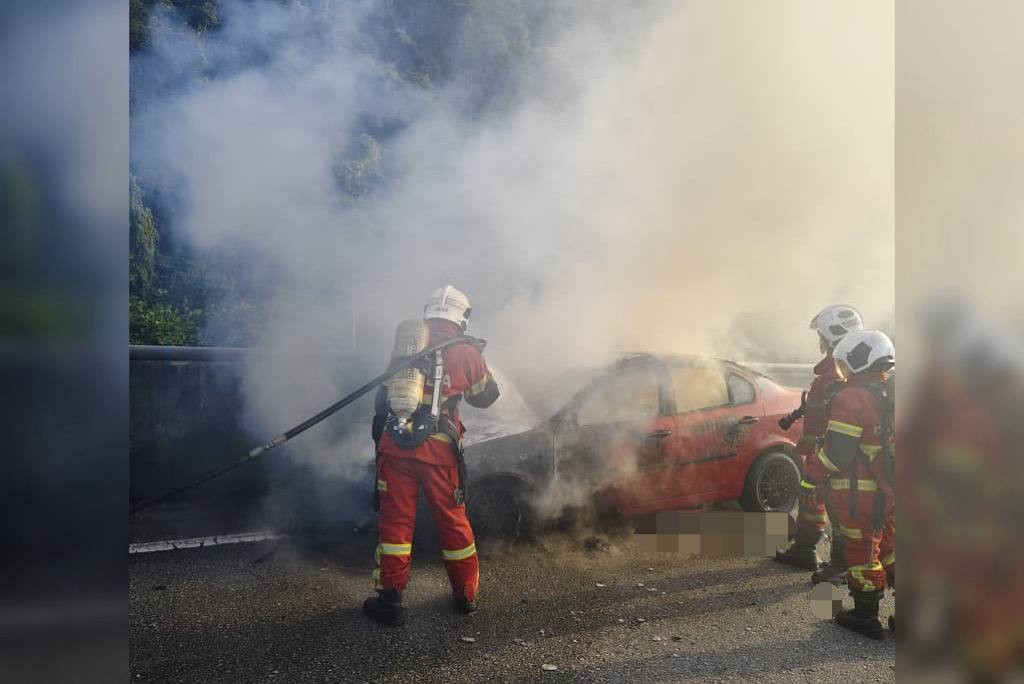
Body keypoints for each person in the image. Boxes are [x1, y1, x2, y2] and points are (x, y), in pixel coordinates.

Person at [363, 286, 500, 627]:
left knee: (396, 522)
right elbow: (486, 398)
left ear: (428, 312)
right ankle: (465, 597)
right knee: (453, 522)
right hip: (440, 453)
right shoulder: (467, 351)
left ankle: (390, 600)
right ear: (462, 317)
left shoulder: (406, 345)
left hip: (395, 448)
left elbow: (383, 400)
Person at [805, 329, 895, 639]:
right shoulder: (890, 391)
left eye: (845, 363)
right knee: (894, 549)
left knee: (862, 551)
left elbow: (838, 454)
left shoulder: (852, 396)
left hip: (861, 494)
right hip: (895, 490)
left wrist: (809, 476)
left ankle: (865, 616)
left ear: (858, 360)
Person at [775, 305, 864, 583]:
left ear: (834, 336)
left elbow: (843, 417)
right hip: (818, 449)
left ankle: (838, 567)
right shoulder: (834, 370)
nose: (820, 342)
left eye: (822, 337)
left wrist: (823, 445)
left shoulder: (843, 372)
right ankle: (804, 550)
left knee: (839, 509)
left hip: (834, 453)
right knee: (811, 500)